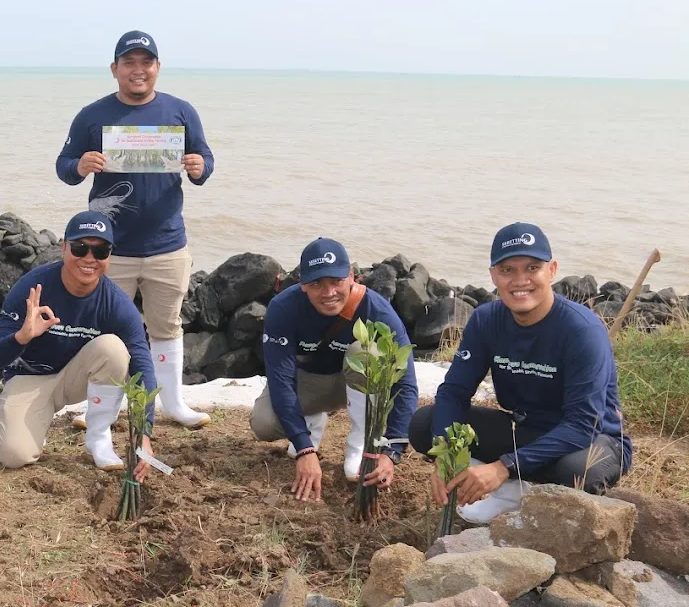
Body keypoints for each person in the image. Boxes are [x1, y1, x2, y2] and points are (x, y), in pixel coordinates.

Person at [410, 223, 632, 522]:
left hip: (592, 440)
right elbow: (454, 392)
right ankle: (500, 481)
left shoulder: (582, 330)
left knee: (580, 471)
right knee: (425, 424)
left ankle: (511, 487)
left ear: (551, 271)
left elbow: (582, 425)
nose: (520, 280)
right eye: (507, 270)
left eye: (532, 268)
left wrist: (503, 467)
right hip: (524, 431)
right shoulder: (486, 320)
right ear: (493, 276)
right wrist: (446, 455)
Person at [56, 30, 215, 430]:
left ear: (158, 68)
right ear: (115, 69)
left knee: (167, 326)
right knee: (106, 332)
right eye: (129, 62)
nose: (138, 70)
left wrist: (200, 167)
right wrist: (80, 165)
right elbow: (64, 166)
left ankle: (173, 404)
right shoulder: (92, 115)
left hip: (167, 244)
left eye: (146, 62)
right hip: (107, 250)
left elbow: (205, 158)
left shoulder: (181, 111)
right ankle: (103, 411)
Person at [0, 210, 158, 475]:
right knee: (13, 456)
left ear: (109, 256)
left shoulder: (116, 304)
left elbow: (143, 364)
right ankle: (32, 424)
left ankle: (98, 437)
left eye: (100, 252)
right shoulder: (32, 288)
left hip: (78, 378)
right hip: (30, 377)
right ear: (63, 247)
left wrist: (144, 432)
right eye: (80, 248)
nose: (89, 259)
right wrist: (22, 336)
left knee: (113, 349)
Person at [251, 238, 419, 502]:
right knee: (264, 422)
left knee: (368, 352)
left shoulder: (376, 310)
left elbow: (406, 383)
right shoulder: (283, 308)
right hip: (309, 382)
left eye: (336, 281)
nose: (328, 292)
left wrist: (393, 450)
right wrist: (305, 449)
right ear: (303, 284)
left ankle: (360, 444)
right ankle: (311, 423)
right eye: (316, 283)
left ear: (351, 276)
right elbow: (280, 379)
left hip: (358, 384)